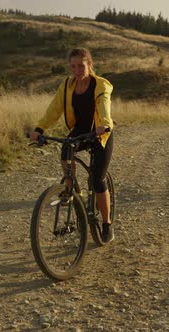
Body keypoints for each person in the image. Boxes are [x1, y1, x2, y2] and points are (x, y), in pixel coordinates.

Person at [29, 48, 115, 243]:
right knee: (66, 149)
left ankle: (107, 223)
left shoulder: (100, 84)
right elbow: (54, 109)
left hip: (100, 133)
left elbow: (104, 104)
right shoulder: (67, 85)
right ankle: (71, 192)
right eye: (73, 66)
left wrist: (105, 124)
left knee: (97, 180)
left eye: (81, 66)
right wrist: (40, 128)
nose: (77, 70)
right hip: (81, 131)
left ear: (89, 65)